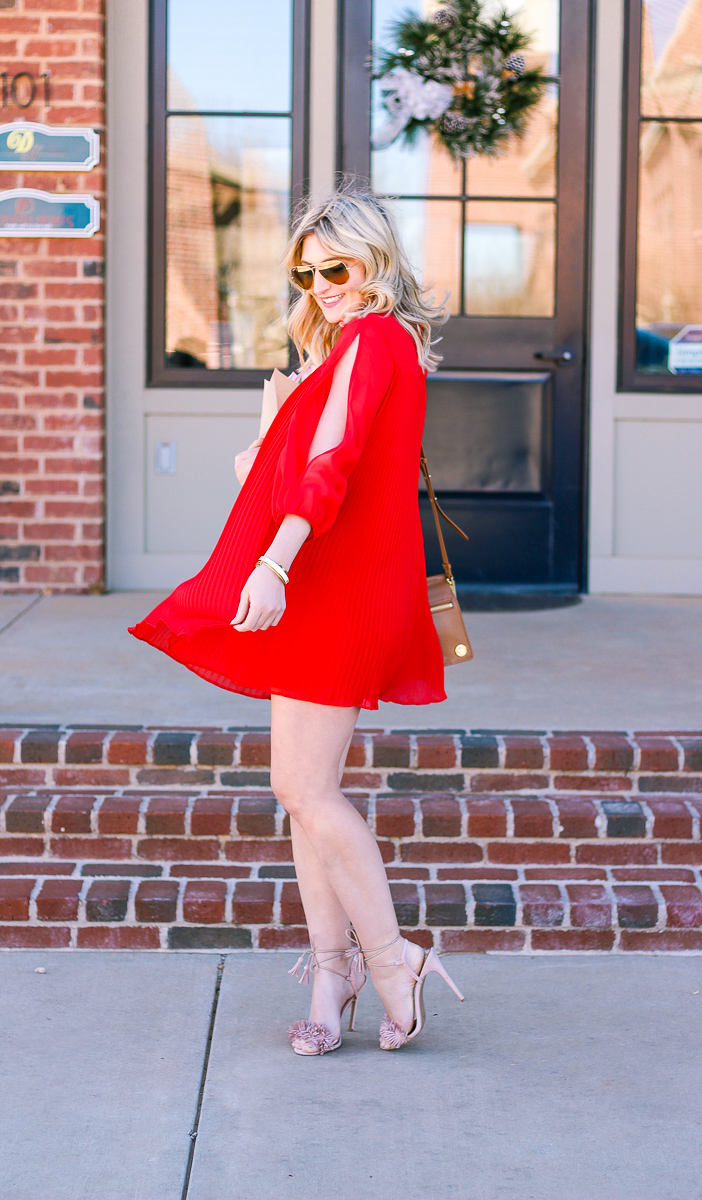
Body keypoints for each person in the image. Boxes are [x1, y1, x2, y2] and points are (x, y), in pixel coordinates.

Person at [129, 187, 464, 1055]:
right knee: (298, 792)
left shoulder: (377, 336)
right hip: (322, 580)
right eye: (306, 273)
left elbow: (334, 468)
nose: (322, 286)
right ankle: (332, 970)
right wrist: (274, 420)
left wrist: (273, 564)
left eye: (338, 268)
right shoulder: (336, 352)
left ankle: (393, 961)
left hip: (336, 586)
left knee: (308, 791)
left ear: (375, 264)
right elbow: (268, 473)